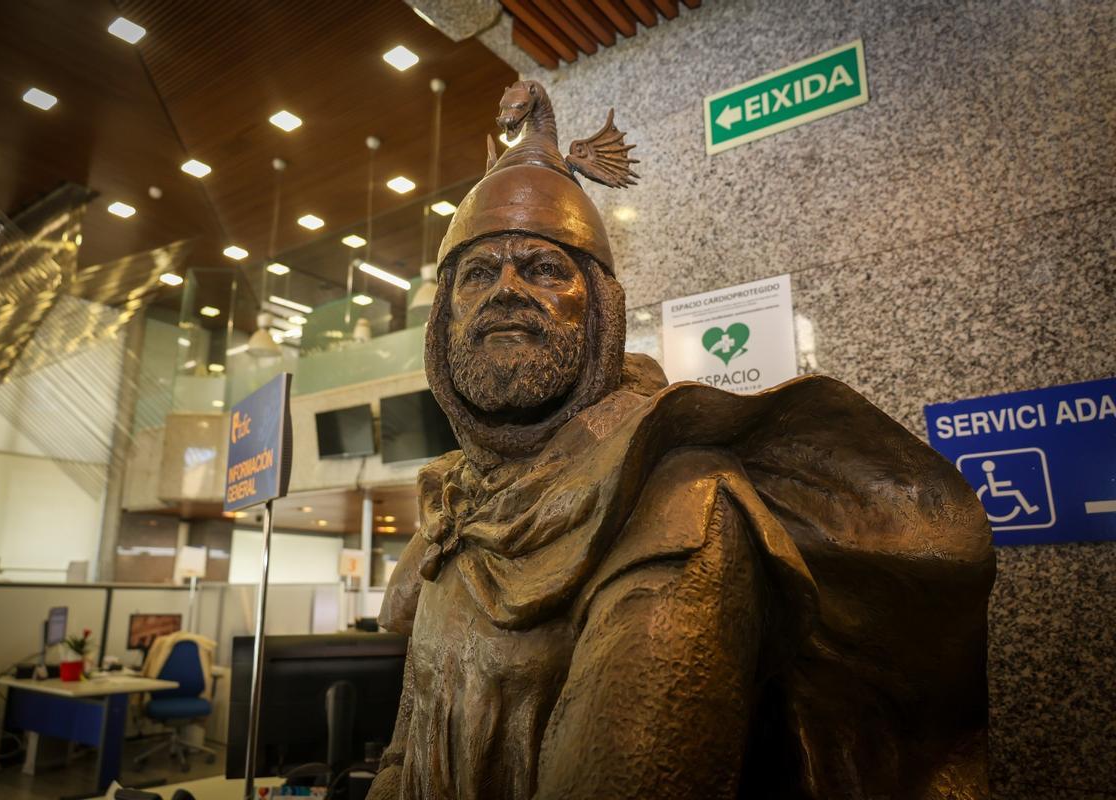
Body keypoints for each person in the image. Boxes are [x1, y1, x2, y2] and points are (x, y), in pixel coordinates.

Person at [367, 81, 994, 800]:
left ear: (600, 313)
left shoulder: (679, 504)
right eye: (478, 272)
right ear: (441, 324)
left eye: (544, 269)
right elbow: (405, 751)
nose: (506, 288)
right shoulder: (454, 503)